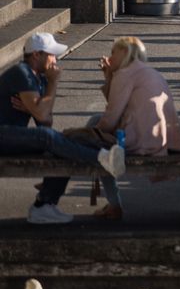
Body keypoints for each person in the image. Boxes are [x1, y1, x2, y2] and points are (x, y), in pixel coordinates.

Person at [0, 33, 126, 225]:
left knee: (63, 143)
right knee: (48, 138)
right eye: (51, 54)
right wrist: (53, 83)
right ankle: (101, 158)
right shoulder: (22, 73)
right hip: (4, 135)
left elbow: (46, 121)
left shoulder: (38, 79)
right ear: (36, 55)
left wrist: (34, 105)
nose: (55, 59)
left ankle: (44, 205)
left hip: (13, 137)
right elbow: (43, 119)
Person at [91, 36, 180, 220]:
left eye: (113, 52)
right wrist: (109, 75)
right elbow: (119, 107)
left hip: (141, 140)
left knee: (96, 147)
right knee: (95, 129)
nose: (110, 57)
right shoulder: (146, 71)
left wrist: (92, 133)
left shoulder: (125, 74)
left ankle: (113, 204)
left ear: (125, 53)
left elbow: (111, 117)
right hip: (164, 140)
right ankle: (111, 203)